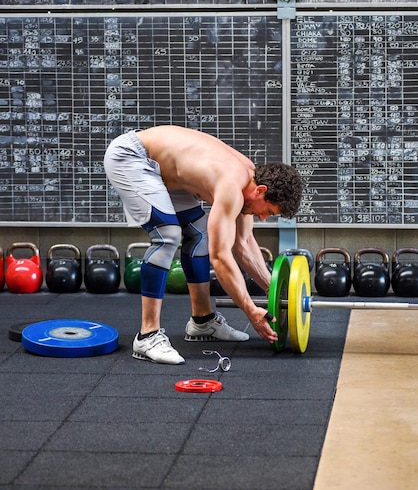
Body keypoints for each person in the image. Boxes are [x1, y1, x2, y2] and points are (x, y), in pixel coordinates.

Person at [104, 125, 302, 364]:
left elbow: (244, 241)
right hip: (132, 157)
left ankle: (202, 322)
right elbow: (220, 258)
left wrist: (273, 291)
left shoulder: (251, 177)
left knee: (199, 235)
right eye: (268, 212)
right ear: (261, 191)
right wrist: (250, 311)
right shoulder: (231, 185)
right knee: (167, 235)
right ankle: (147, 336)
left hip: (162, 169)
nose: (262, 218)